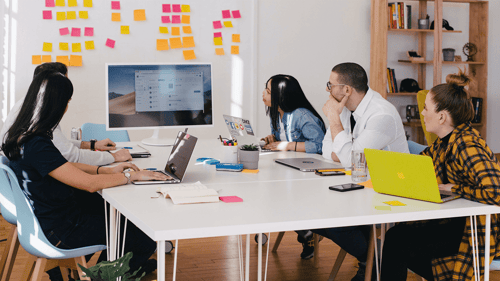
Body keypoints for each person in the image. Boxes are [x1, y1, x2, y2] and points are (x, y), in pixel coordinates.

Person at [2, 70, 170, 280]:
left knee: (118, 218)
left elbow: (65, 167)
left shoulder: (24, 136)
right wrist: (131, 177)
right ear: (57, 104)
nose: (66, 107)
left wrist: (105, 170)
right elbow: (89, 184)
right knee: (142, 239)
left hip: (53, 217)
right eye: (67, 101)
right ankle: (100, 276)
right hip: (61, 230)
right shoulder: (37, 144)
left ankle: (94, 272)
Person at [381, 69, 500, 281]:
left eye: (426, 108)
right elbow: (420, 163)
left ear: (442, 116)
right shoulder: (444, 142)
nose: (422, 113)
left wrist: (454, 188)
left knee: (397, 241)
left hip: (471, 230)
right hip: (455, 221)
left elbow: (496, 190)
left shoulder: (466, 145)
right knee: (397, 238)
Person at [312, 62, 409, 281]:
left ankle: (378, 260)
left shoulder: (381, 115)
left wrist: (335, 122)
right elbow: (327, 149)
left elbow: (351, 160)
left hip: (387, 190)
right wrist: (345, 149)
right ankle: (372, 258)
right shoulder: (347, 109)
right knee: (315, 216)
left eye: (331, 85)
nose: (328, 90)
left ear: (346, 90)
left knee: (334, 223)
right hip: (362, 184)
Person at [0, 62, 131, 166]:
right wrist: (114, 157)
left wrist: (91, 145)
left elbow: (55, 144)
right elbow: (71, 156)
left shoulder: (26, 106)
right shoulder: (41, 114)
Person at [261, 74, 326, 154]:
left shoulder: (301, 115)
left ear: (281, 96)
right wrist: (273, 140)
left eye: (268, 92)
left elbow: (319, 145)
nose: (263, 93)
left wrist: (288, 146)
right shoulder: (276, 113)